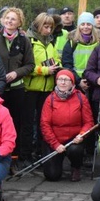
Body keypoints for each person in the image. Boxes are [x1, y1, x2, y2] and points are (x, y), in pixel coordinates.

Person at [0, 7, 35, 169]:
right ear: (2, 20)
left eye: (13, 19)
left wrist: (16, 73)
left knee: (15, 124)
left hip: (16, 89)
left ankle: (12, 158)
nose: (9, 21)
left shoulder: (24, 41)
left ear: (19, 23)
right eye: (7, 18)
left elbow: (30, 65)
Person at [40, 70, 95, 182]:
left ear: (72, 83)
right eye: (60, 79)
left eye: (66, 80)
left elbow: (89, 122)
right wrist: (55, 144)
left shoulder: (81, 98)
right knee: (52, 176)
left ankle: (76, 167)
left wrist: (81, 135)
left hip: (73, 140)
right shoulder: (49, 99)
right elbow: (44, 124)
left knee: (76, 150)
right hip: (54, 140)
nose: (63, 82)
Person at [24, 12, 62, 159]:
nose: (48, 30)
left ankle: (41, 152)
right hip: (31, 88)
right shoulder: (30, 41)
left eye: (50, 27)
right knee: (27, 124)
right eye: (45, 26)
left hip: (47, 89)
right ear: (38, 26)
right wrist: (45, 70)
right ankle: (25, 155)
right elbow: (26, 67)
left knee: (44, 123)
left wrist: (58, 66)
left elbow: (56, 59)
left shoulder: (50, 42)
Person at [62, 12, 100, 93]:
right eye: (82, 24)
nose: (85, 27)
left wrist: (96, 78)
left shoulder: (98, 42)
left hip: (95, 82)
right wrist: (78, 81)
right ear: (79, 26)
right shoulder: (72, 42)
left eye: (88, 24)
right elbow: (67, 64)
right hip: (75, 81)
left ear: (92, 26)